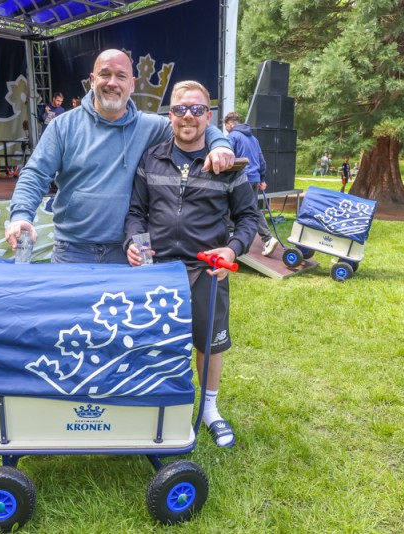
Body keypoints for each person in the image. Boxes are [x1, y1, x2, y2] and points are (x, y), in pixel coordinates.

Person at [124, 81, 259, 448]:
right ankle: (155, 405)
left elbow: (249, 218)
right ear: (169, 115)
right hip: (158, 269)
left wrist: (232, 251)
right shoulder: (151, 158)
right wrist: (134, 244)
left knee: (209, 345)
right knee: (151, 340)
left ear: (208, 116)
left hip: (207, 271)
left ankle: (211, 409)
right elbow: (136, 212)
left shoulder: (228, 166)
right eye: (181, 109)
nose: (188, 116)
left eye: (197, 110)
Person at [6, 48, 235, 263]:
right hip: (72, 250)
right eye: (105, 74)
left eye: (121, 76)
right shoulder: (62, 126)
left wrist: (220, 144)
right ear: (92, 80)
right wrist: (21, 215)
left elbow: (191, 124)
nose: (112, 83)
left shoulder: (151, 126)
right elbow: (35, 174)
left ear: (132, 84)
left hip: (128, 250)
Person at [224, 111, 277, 255]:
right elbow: (262, 160)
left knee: (231, 204)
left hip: (241, 179)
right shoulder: (253, 138)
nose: (226, 128)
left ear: (229, 123)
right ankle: (265, 238)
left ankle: (266, 238)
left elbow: (227, 156)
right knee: (251, 208)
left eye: (226, 126)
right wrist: (262, 179)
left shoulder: (232, 136)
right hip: (254, 178)